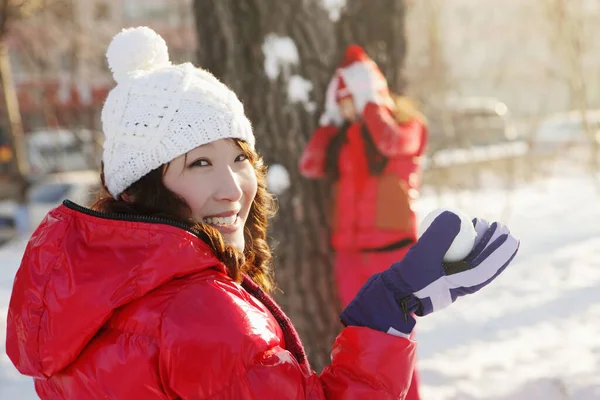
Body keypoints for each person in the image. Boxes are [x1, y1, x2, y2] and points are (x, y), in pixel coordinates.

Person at [6, 27, 519, 400]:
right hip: (354, 248)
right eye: (200, 163)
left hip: (384, 242)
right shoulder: (202, 313)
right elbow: (318, 160)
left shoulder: (79, 298)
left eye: (239, 158)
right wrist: (384, 319)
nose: (233, 188)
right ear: (138, 186)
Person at [299, 45, 429, 399]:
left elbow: (388, 143)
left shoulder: (408, 127)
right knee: (360, 339)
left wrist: (370, 100)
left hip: (393, 255)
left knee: (395, 341)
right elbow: (309, 164)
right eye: (339, 100)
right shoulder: (342, 138)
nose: (345, 106)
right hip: (350, 256)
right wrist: (328, 121)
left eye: (349, 98)